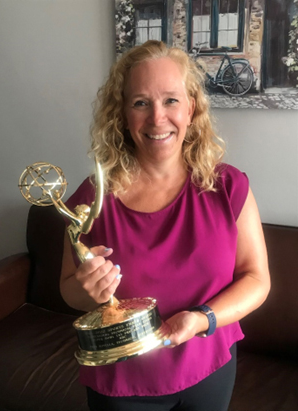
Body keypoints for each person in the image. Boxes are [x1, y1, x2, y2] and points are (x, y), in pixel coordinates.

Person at [60, 40, 270, 411]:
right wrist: (86, 288)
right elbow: (69, 292)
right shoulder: (91, 198)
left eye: (171, 100)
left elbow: (257, 280)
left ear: (191, 108)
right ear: (123, 114)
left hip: (209, 368)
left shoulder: (229, 187)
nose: (157, 118)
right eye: (141, 102)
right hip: (122, 382)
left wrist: (203, 319)